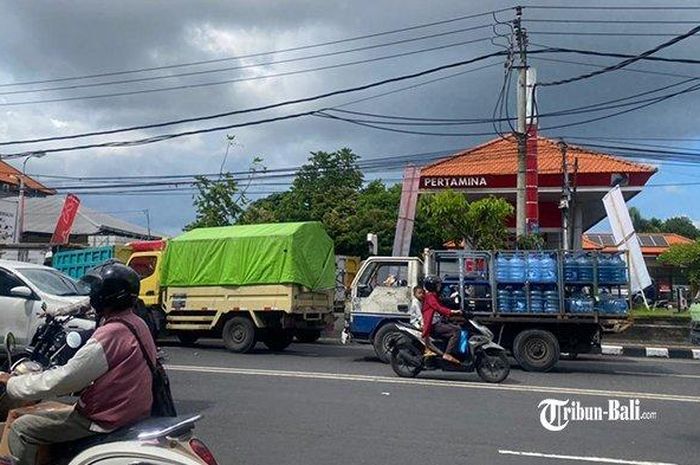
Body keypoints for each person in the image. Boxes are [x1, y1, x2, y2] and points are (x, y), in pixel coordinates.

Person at [0, 263, 157, 465]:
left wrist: (12, 384)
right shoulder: (136, 323)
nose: (93, 296)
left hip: (105, 418)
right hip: (129, 412)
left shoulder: (110, 334)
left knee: (22, 428)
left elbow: (67, 378)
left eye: (96, 291)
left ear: (106, 296)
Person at [421, 275, 461, 364]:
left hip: (437, 322)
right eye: (437, 285)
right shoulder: (430, 296)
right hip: (433, 324)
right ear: (432, 286)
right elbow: (439, 308)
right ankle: (448, 353)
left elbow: (442, 303)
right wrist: (452, 312)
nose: (439, 286)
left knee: (455, 325)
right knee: (456, 331)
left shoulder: (434, 295)